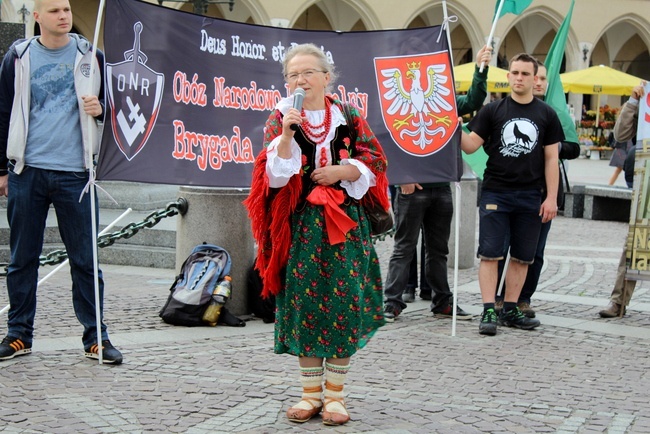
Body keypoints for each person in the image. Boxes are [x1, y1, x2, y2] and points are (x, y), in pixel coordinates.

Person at [244, 43, 388, 426]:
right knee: (305, 304)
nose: (300, 80)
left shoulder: (349, 115)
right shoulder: (280, 119)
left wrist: (343, 172)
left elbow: (376, 159)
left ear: (327, 76)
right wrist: (289, 137)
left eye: (308, 72)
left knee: (345, 301)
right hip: (301, 225)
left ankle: (336, 396)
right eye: (293, 74)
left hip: (345, 221)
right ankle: (310, 395)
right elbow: (272, 176)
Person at [0, 0, 122, 364]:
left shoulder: (91, 57)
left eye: (66, 9)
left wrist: (102, 106)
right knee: (23, 259)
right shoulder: (18, 58)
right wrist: (2, 170)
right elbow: (3, 110)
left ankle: (96, 338)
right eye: (54, 10)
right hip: (27, 170)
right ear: (37, 17)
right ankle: (19, 335)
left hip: (77, 174)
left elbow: (120, 106)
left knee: (86, 260)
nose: (64, 16)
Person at [383, 45, 493, 321]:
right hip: (413, 187)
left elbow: (476, 99)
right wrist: (402, 176)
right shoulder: (397, 103)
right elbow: (387, 138)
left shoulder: (446, 102)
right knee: (404, 246)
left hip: (441, 185)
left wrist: (481, 68)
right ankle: (392, 301)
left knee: (438, 249)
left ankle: (442, 300)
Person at [461, 53, 564, 336]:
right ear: (508, 76)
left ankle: (510, 308)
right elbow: (470, 146)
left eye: (524, 74)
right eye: (514, 73)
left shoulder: (546, 115)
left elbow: (551, 159)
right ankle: (488, 310)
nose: (519, 78)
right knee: (491, 254)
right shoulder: (493, 111)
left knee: (522, 257)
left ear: (534, 78)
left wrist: (551, 197)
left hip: (531, 194)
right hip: (497, 192)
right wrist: (452, 123)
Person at [495, 62, 580, 318]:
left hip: (544, 190)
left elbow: (573, 148)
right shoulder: (512, 110)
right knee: (502, 246)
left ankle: (523, 298)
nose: (540, 82)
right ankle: (500, 298)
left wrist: (549, 146)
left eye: (543, 78)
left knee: (534, 250)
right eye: (537, 77)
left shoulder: (555, 114)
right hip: (514, 188)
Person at [599, 82, 645, 318]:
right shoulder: (645, 98)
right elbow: (620, 135)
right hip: (646, 187)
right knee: (635, 246)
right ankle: (618, 302)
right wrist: (633, 102)